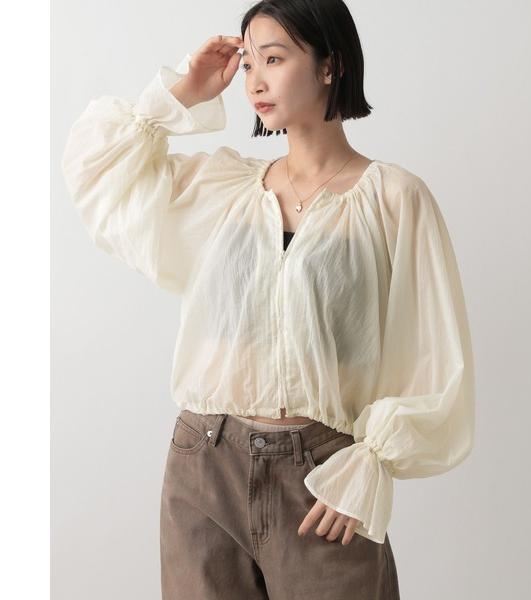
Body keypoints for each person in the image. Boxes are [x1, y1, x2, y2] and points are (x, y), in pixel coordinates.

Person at [60, 1, 475, 598]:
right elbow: (98, 173)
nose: (255, 80)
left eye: (274, 60)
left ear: (330, 65)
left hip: (323, 478)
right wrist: (184, 91)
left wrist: (370, 464)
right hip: (204, 465)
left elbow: (437, 356)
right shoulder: (225, 189)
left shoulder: (393, 199)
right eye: (249, 62)